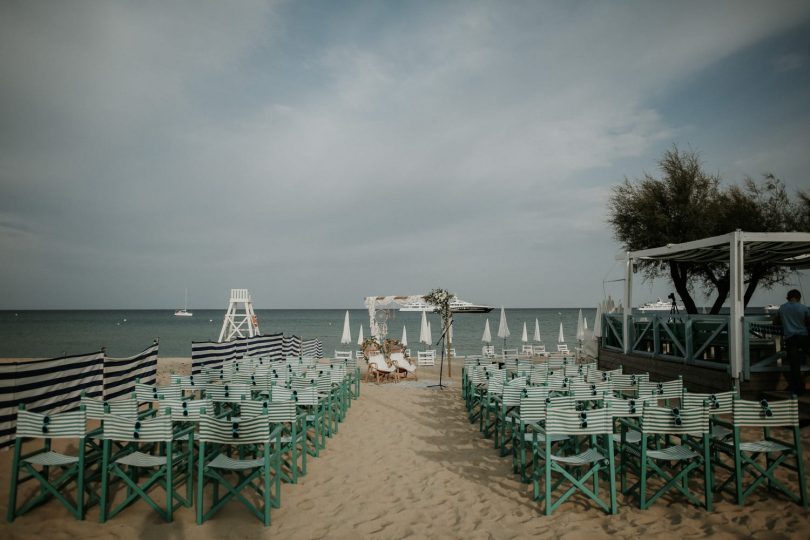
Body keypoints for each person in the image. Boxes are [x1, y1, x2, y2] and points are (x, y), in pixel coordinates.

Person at [774, 289, 810, 396]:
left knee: (794, 365)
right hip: (803, 337)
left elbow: (775, 322)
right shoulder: (804, 308)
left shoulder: (782, 308)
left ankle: (797, 390)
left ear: (787, 298)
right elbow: (808, 322)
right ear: (799, 298)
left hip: (790, 338)